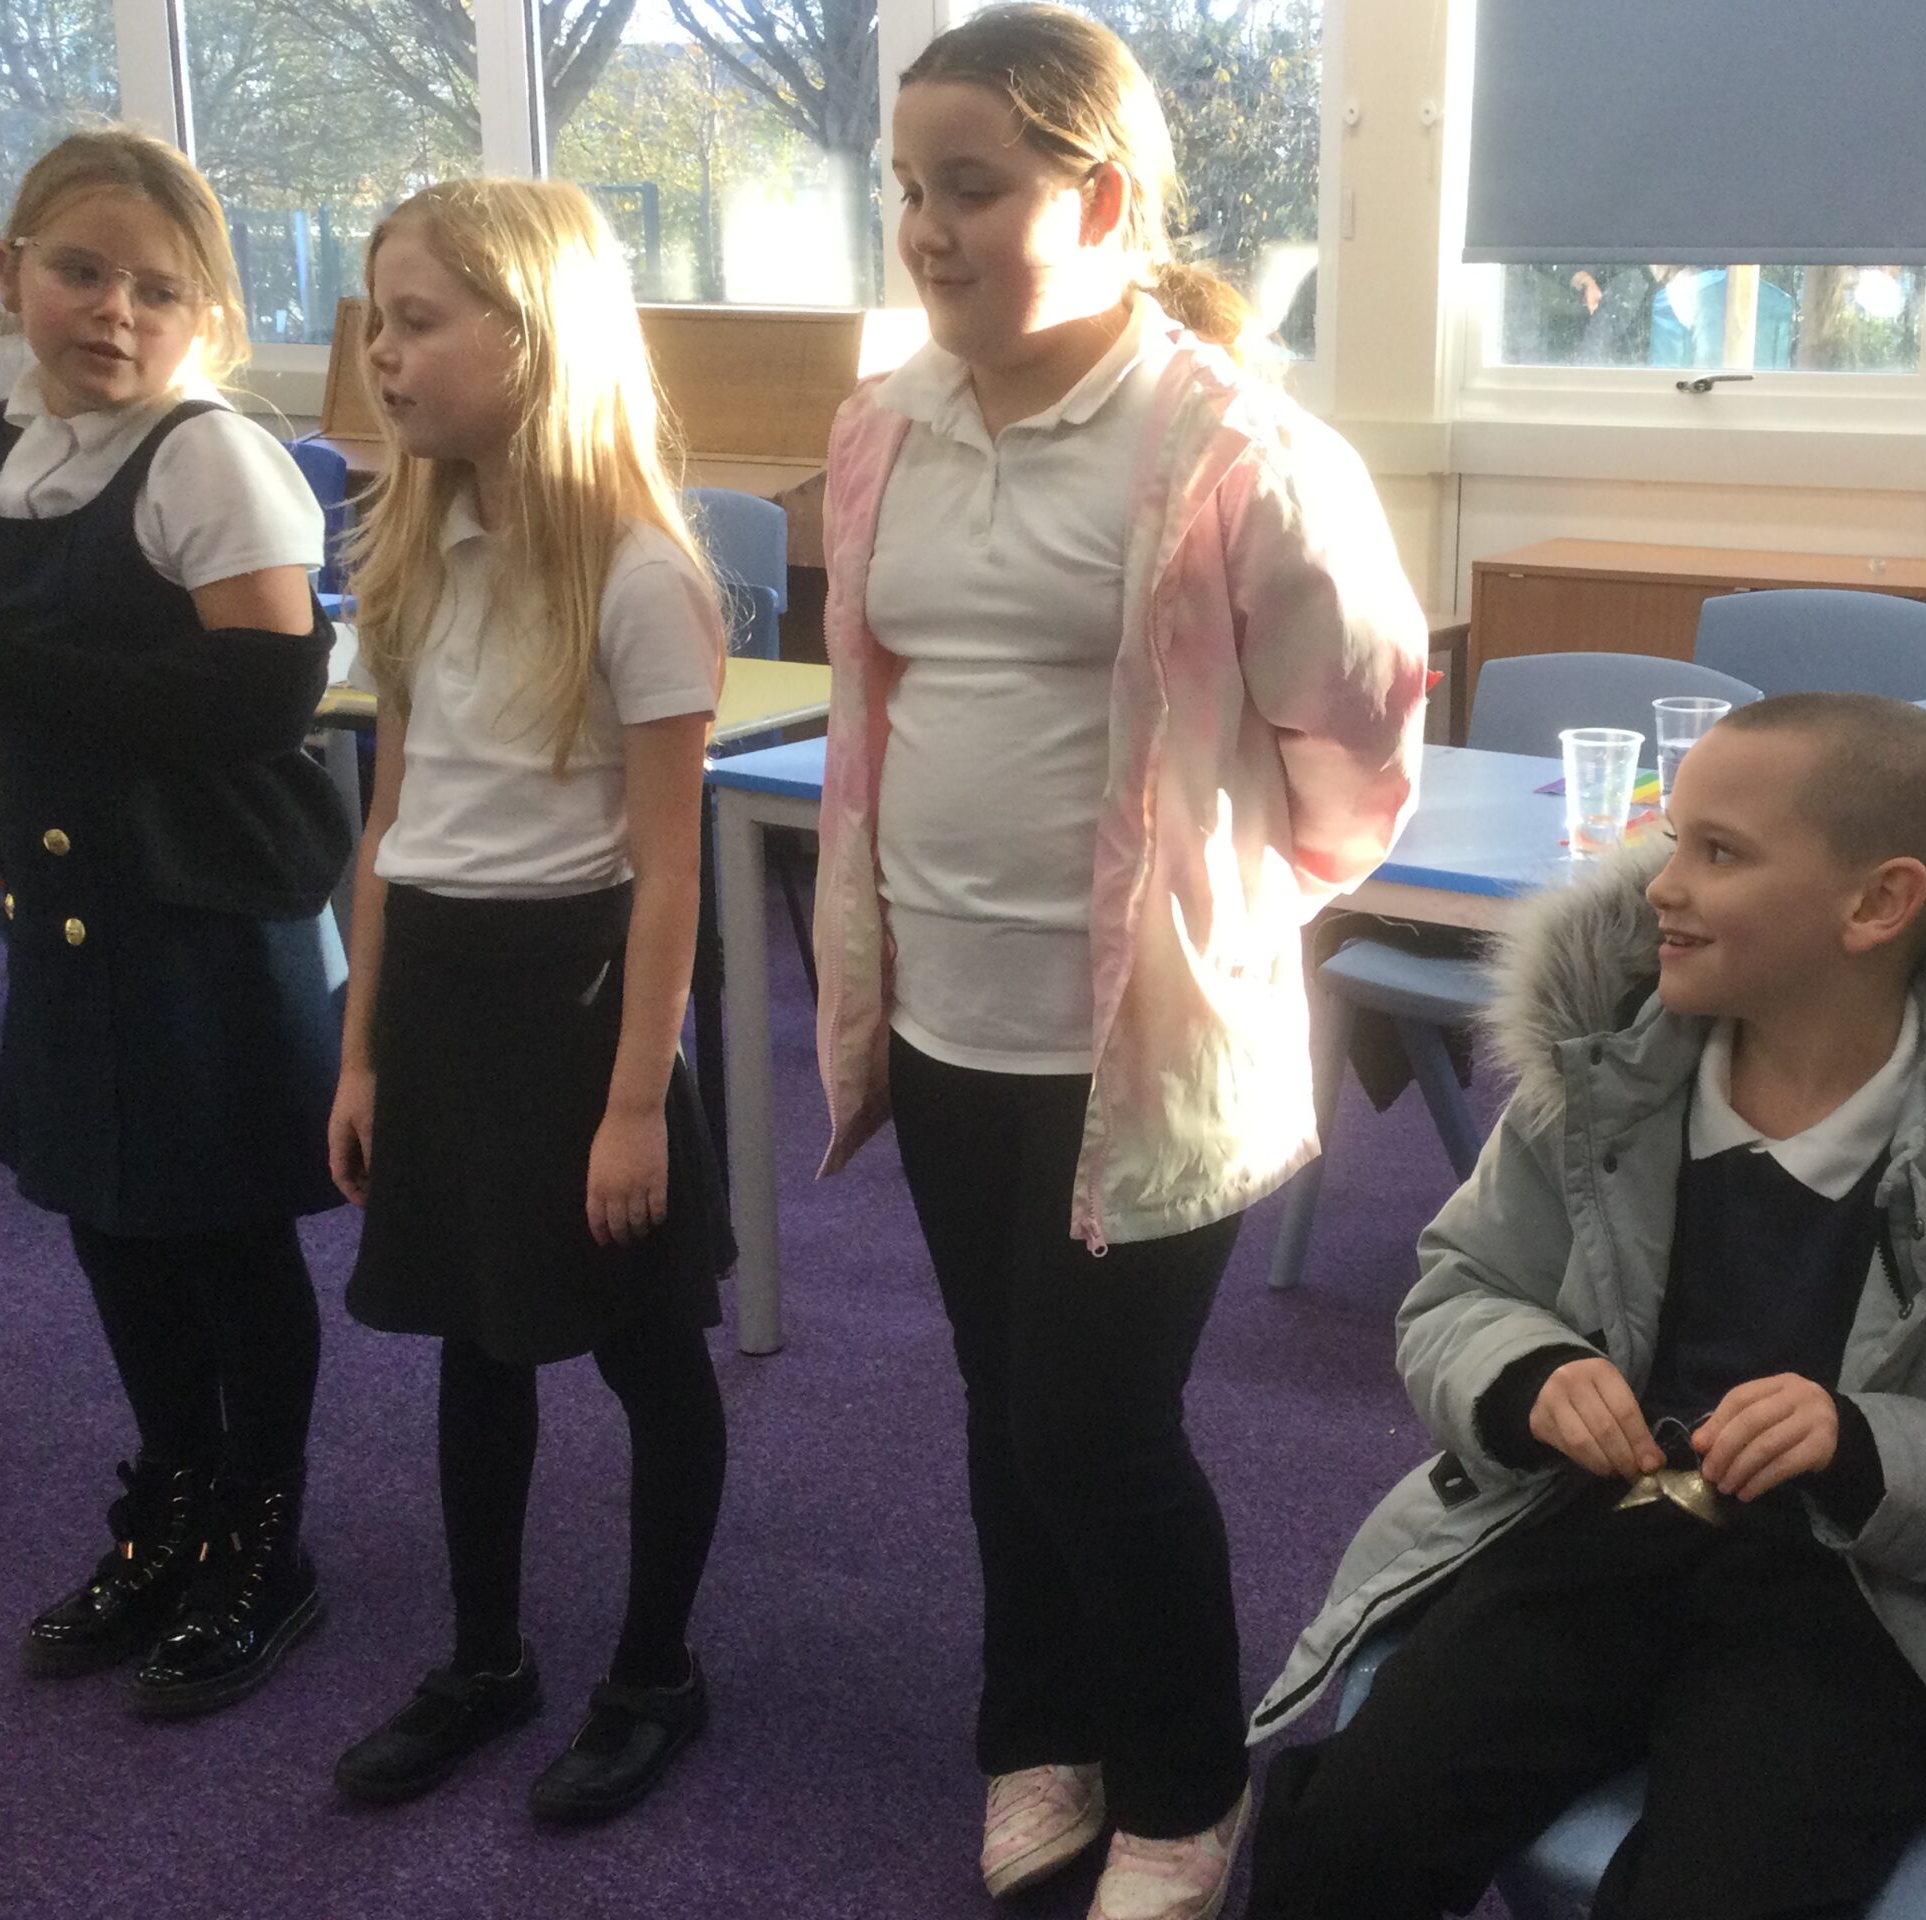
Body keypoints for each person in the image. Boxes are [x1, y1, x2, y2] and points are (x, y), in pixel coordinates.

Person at [1247, 694, 1926, 1920]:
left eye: (1719, 853)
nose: (1660, 885)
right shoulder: (1602, 1085)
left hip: (1875, 1606)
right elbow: (1459, 1293)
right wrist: (1528, 1373)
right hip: (1600, 1538)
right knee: (1349, 1833)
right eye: (1670, 839)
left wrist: (1869, 1449)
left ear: (1877, 905)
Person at [813, 6, 1430, 1913]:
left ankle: (1181, 1779)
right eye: (911, 187)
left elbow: (1364, 733)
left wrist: (1226, 907)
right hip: (943, 1014)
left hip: (1142, 1041)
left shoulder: (1235, 444)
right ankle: (1039, 1728)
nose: (928, 227)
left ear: (1097, 196)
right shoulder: (880, 424)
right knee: (1008, 1409)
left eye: (972, 188)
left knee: (1097, 1423)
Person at [0, 127, 351, 1714]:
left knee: (223, 1233)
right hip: (76, 900)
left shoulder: (207, 452)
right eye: (81, 270)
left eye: (158, 289)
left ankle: (265, 1536)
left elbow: (251, 700)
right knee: (114, 1221)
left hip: (203, 906)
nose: (114, 310)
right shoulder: (0, 449)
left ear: (206, 320)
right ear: (11, 274)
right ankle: (171, 1498)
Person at [324, 178, 734, 1827]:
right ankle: (486, 1656)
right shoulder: (413, 554)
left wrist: (637, 1098)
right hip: (436, 1000)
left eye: (421, 322)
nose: (385, 360)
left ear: (534, 336)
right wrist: (358, 1046)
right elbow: (388, 828)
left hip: (579, 1020)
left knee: (645, 1359)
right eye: (378, 322)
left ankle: (656, 1671)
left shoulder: (640, 575)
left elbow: (672, 874)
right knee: (471, 1347)